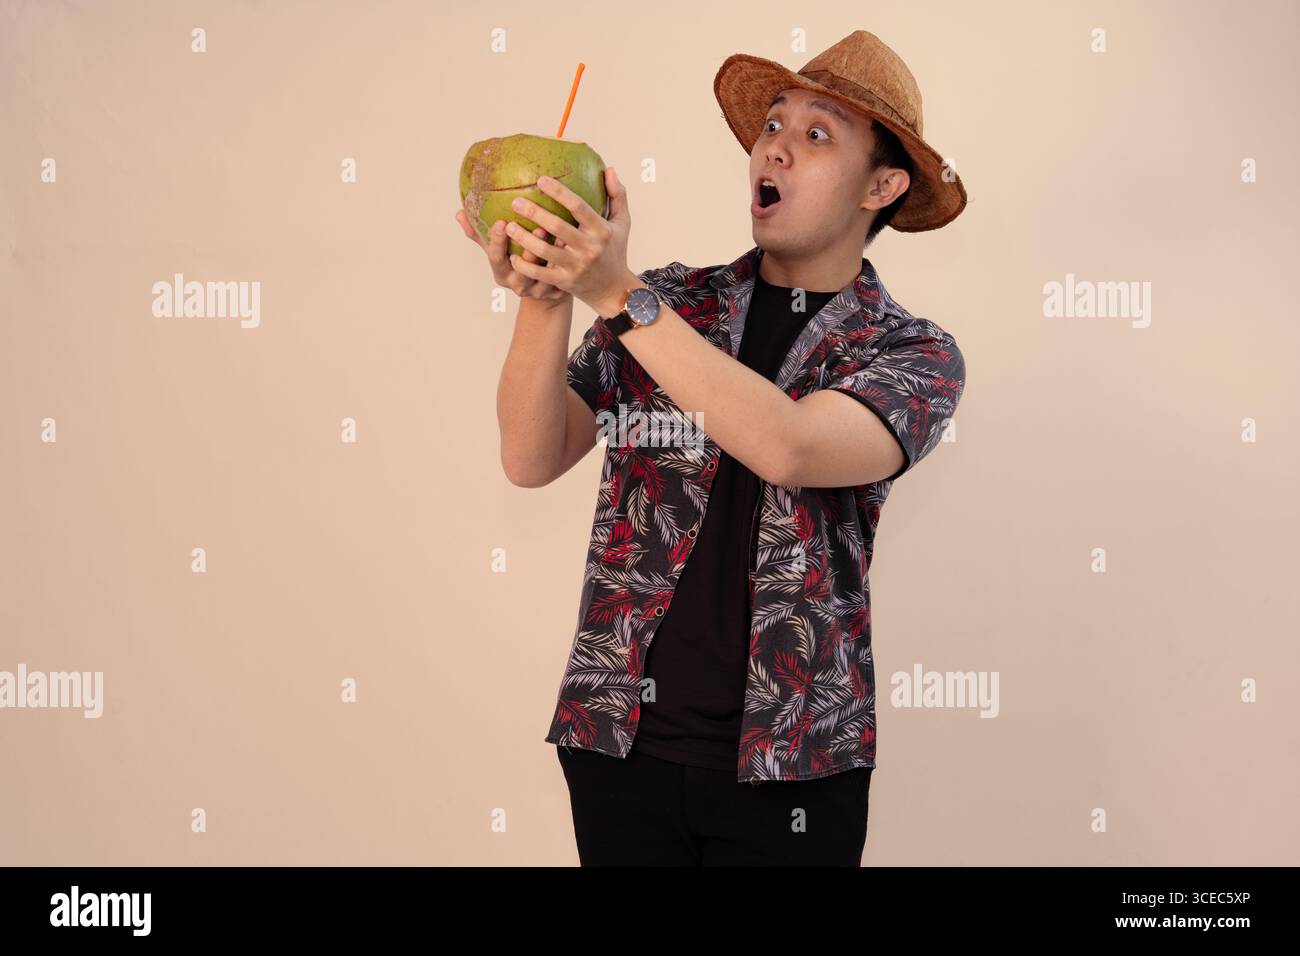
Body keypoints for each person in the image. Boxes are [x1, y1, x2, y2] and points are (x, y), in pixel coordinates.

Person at [457, 29, 968, 866]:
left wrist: (612, 290)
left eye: (816, 134)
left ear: (882, 184)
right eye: (774, 123)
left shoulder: (911, 355)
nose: (777, 146)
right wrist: (549, 294)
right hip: (617, 741)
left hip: (795, 762)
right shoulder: (668, 302)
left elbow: (791, 448)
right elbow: (530, 454)